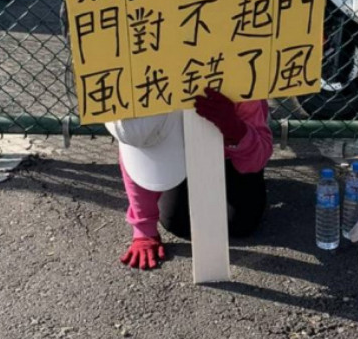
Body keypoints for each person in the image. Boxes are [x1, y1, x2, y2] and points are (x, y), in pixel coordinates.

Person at [107, 88, 273, 270]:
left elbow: (258, 157)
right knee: (175, 221)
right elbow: (137, 161)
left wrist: (235, 130)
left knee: (242, 222)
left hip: (230, 152)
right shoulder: (134, 94)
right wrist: (144, 229)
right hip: (179, 153)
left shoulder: (238, 83)